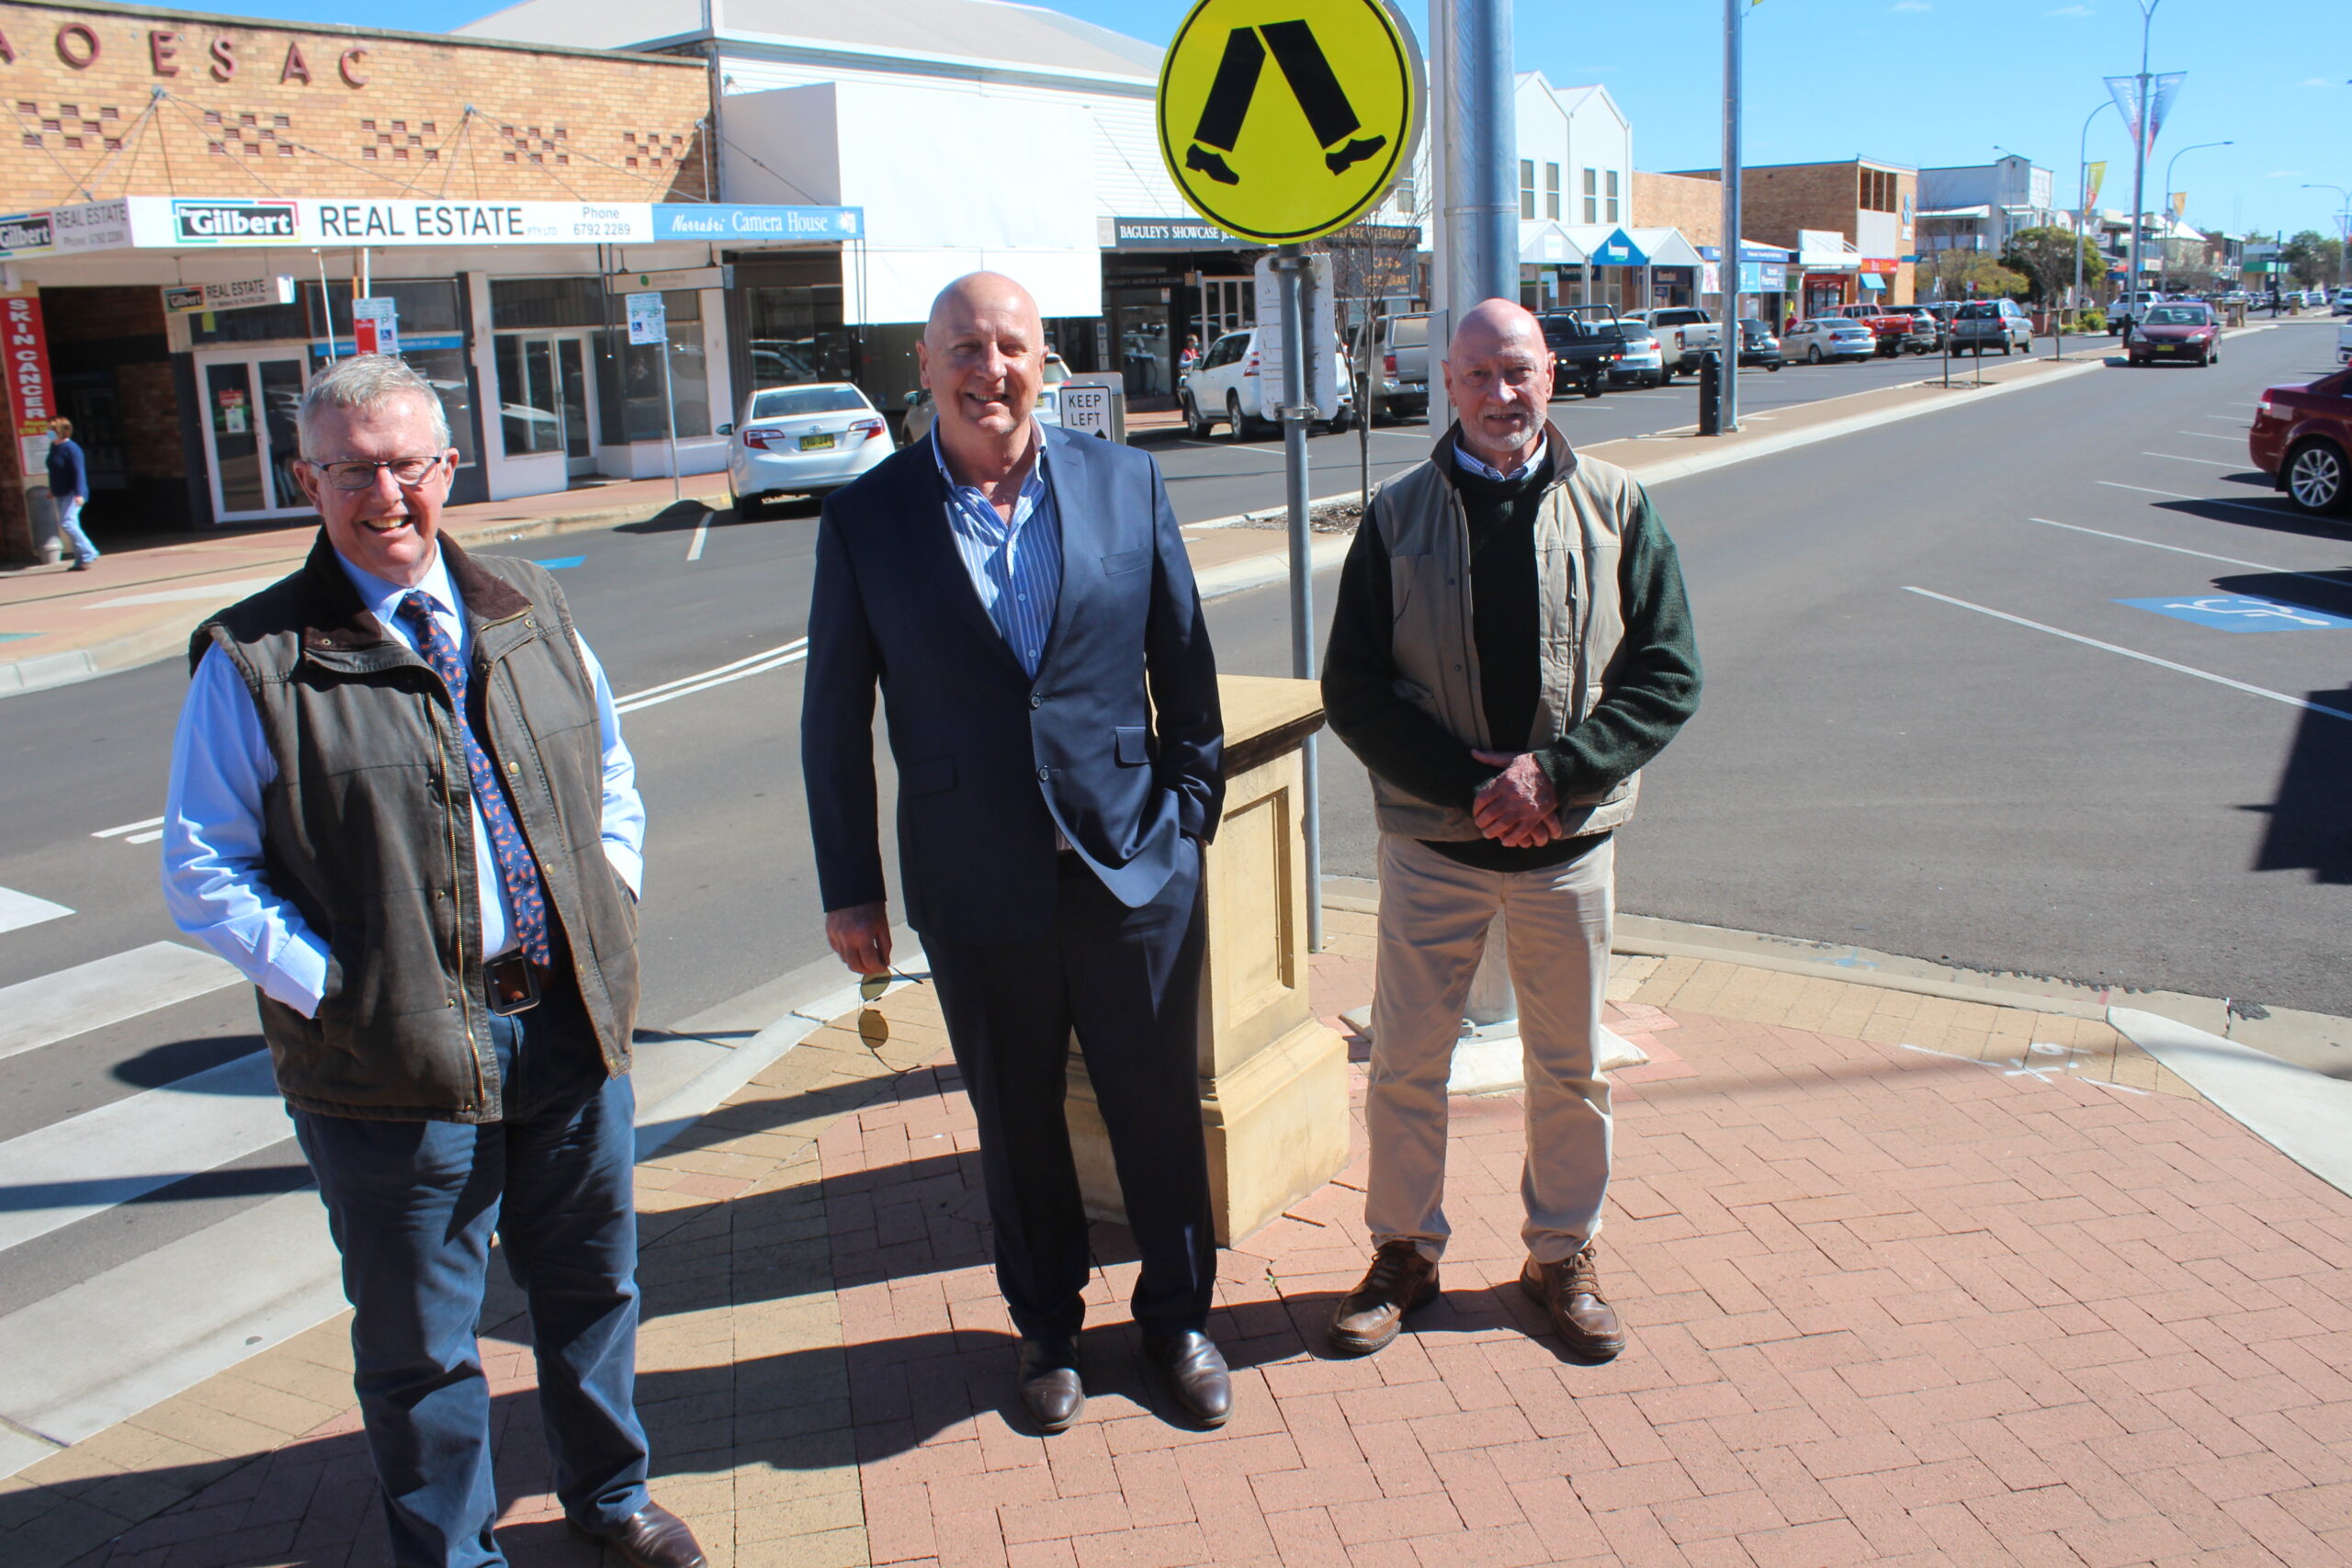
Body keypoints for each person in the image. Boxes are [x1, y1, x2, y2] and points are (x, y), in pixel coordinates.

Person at [159, 355, 702, 1568]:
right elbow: (202, 865)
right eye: (352, 468)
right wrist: (339, 991)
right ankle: (456, 1554)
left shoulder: (528, 608)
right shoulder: (256, 659)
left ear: (446, 468)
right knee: (423, 1345)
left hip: (564, 1023)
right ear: (309, 479)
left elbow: (609, 770)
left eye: (405, 462)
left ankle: (612, 1498)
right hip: (392, 1062)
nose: (384, 492)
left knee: (592, 1294)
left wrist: (608, 896)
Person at [802, 273, 1228, 1434]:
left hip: (1130, 865)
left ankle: (1178, 1319)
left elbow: (1183, 666)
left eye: (1011, 348)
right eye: (963, 350)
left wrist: (1188, 818)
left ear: (1046, 362)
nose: (989, 370)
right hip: (971, 874)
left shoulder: (1125, 481)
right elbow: (834, 717)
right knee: (1019, 1118)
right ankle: (1047, 1330)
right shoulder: (866, 518)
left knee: (1154, 1105)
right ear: (926, 367)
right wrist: (853, 887)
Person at [1318, 299, 1701, 1362]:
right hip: (1433, 853)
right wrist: (1473, 789)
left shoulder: (1619, 506)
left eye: (1519, 372)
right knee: (1404, 1064)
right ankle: (1404, 1251)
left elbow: (1668, 676)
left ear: (1550, 378)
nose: (1501, 394)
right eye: (1479, 375)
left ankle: (1559, 1256)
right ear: (1446, 382)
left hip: (1566, 854)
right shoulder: (1395, 514)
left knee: (1569, 1067)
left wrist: (1557, 776)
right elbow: (1352, 689)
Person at [46, 416, 97, 570]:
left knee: (67, 523)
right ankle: (81, 559)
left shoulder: (71, 448)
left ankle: (89, 552)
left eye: (51, 430)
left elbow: (79, 472)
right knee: (71, 524)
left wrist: (79, 494)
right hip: (60, 492)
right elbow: (55, 471)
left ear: (61, 431)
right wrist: (52, 489)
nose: (48, 432)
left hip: (72, 492)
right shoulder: (54, 447)